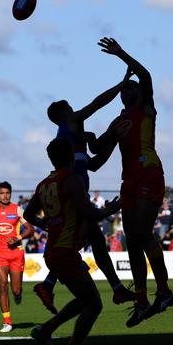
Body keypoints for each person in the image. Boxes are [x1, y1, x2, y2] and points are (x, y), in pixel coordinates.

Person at [36, 69, 136, 314]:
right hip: (74, 191)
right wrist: (121, 83)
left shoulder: (71, 138)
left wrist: (109, 139)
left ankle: (116, 288)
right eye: (70, 107)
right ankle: (48, 285)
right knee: (79, 240)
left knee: (96, 241)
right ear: (63, 114)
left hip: (77, 187)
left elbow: (93, 164)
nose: (74, 110)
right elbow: (97, 104)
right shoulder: (69, 122)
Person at [91, 37, 173, 327]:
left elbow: (146, 75)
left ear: (138, 92)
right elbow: (96, 153)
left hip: (148, 172)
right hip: (128, 181)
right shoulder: (117, 122)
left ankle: (163, 291)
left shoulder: (146, 108)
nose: (129, 88)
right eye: (124, 87)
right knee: (132, 242)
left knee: (140, 233)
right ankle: (141, 300)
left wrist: (121, 54)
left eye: (132, 85)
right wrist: (84, 139)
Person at [25, 138, 121, 345]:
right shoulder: (72, 179)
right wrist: (109, 210)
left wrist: (45, 223)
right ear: (71, 155)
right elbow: (89, 213)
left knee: (84, 299)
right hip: (65, 251)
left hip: (53, 251)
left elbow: (27, 214)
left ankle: (46, 330)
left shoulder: (44, 184)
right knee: (94, 304)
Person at [0, 181, 35, 333]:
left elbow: (30, 229)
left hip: (16, 253)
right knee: (2, 284)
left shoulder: (18, 210)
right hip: (0, 253)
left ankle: (18, 294)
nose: (5, 196)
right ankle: (7, 322)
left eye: (7, 193)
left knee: (16, 289)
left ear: (10, 194)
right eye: (2, 193)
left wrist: (18, 237)